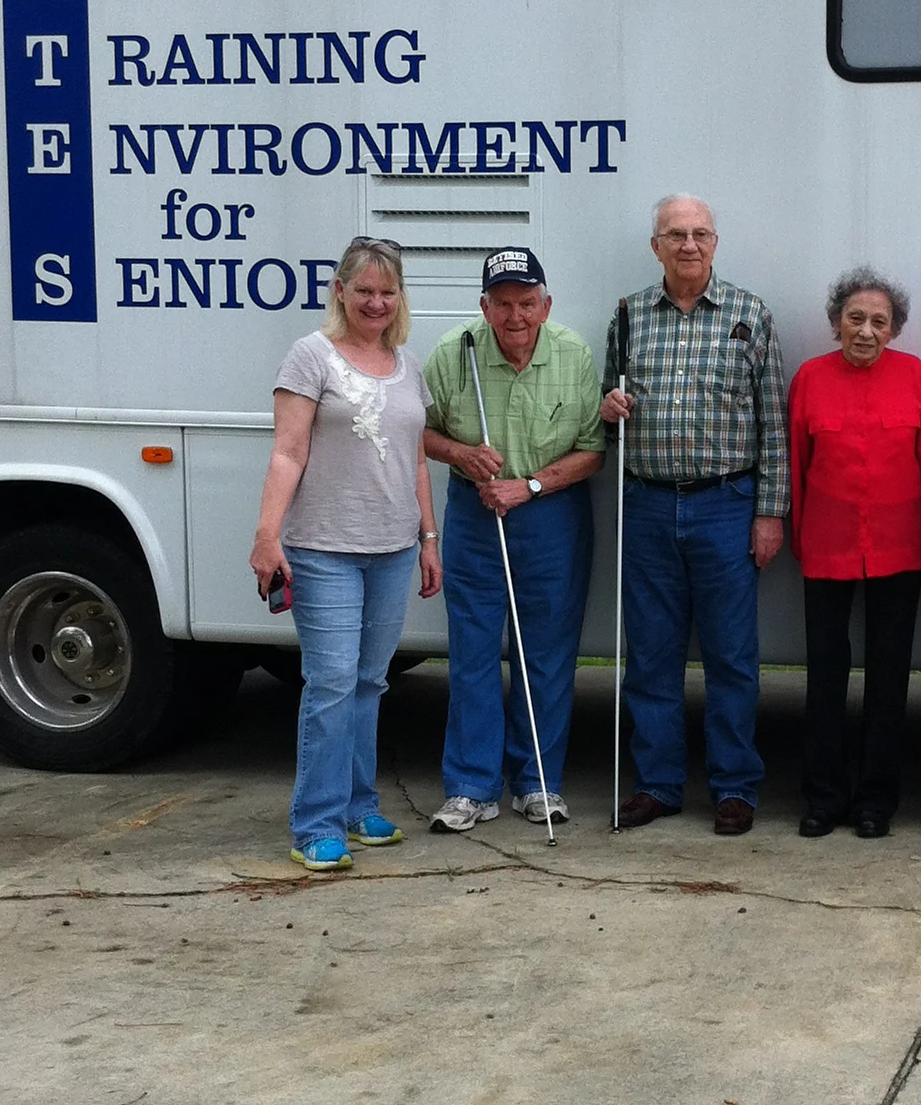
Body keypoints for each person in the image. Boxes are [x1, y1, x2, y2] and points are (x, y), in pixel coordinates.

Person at [250, 238, 441, 872]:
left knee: (369, 682)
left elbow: (415, 461)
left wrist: (428, 539)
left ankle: (360, 808)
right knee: (330, 684)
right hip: (324, 547)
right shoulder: (312, 357)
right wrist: (266, 536)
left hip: (391, 548)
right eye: (364, 291)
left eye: (388, 292)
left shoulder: (407, 365)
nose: (376, 302)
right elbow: (287, 452)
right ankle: (316, 823)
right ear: (341, 291)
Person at [599, 195, 789, 836]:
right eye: (675, 234)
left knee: (732, 656)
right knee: (651, 655)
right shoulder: (628, 316)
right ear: (656, 246)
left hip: (725, 505)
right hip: (648, 502)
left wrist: (770, 513)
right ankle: (658, 783)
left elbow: (774, 424)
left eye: (699, 233)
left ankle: (734, 786)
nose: (688, 244)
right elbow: (606, 413)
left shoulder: (750, 315)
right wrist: (608, 409)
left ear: (715, 242)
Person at [420, 246, 606, 832]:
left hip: (551, 513)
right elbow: (419, 431)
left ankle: (537, 782)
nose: (515, 316)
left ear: (546, 304)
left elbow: (593, 452)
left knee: (545, 654)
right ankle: (471, 786)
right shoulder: (455, 355)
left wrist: (527, 485)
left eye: (527, 302)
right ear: (484, 306)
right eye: (502, 304)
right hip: (475, 515)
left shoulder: (573, 355)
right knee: (473, 651)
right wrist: (461, 454)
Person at [789, 266, 921, 839]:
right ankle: (823, 797)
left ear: (894, 328)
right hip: (827, 544)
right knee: (825, 675)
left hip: (900, 547)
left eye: (880, 321)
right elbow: (797, 466)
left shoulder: (915, 376)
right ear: (835, 324)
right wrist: (797, 537)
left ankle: (877, 799)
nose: (867, 331)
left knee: (888, 676)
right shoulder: (809, 378)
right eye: (855, 319)